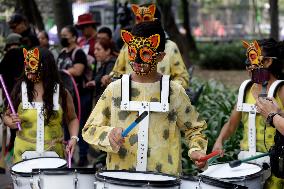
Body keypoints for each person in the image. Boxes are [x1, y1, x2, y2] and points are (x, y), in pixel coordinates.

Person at [82, 20, 207, 175]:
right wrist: (109, 134)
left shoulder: (174, 92)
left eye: (146, 53)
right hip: (121, 179)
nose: (137, 60)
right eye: (132, 52)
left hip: (163, 180)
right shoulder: (115, 90)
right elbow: (89, 129)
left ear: (160, 56)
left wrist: (196, 149)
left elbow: (194, 128)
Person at [213, 38, 284, 188]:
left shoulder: (281, 90)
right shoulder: (245, 89)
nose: (247, 65)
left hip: (274, 165)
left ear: (268, 62)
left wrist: (276, 115)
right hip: (247, 163)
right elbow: (232, 124)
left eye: (252, 58)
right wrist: (219, 140)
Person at [2, 47, 79, 163]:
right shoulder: (19, 90)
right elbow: (6, 116)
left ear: (46, 67)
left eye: (32, 64)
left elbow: (72, 118)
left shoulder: (62, 93)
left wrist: (73, 138)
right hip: (23, 158)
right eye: (26, 64)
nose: (28, 68)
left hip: (54, 157)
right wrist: (10, 122)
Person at [107, 4, 189, 89]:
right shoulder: (127, 46)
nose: (141, 23)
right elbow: (116, 72)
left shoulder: (170, 47)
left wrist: (166, 90)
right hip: (129, 98)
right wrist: (111, 80)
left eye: (146, 19)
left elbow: (182, 78)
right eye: (138, 18)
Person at [57, 25, 91, 166]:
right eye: (62, 35)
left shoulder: (78, 53)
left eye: (65, 35)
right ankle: (67, 154)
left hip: (78, 96)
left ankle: (83, 156)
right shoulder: (62, 52)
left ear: (74, 37)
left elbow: (77, 71)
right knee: (65, 124)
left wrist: (64, 71)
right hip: (63, 94)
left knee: (79, 123)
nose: (63, 38)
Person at [85, 38, 116, 105]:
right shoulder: (103, 64)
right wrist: (95, 82)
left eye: (98, 49)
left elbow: (108, 79)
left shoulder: (111, 64)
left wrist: (98, 81)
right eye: (95, 49)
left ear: (108, 51)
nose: (95, 52)